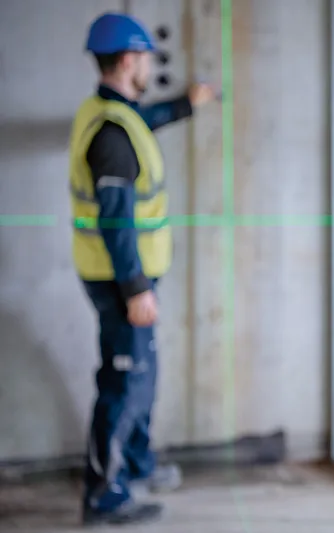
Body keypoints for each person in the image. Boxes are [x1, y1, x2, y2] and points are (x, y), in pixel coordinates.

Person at [68, 12, 216, 526]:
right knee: (125, 382)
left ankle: (135, 464)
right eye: (147, 57)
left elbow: (141, 122)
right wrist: (134, 289)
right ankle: (103, 494)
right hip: (120, 281)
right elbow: (115, 221)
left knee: (139, 377)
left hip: (123, 277)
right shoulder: (112, 134)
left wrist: (185, 106)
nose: (151, 65)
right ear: (129, 59)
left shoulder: (110, 112)